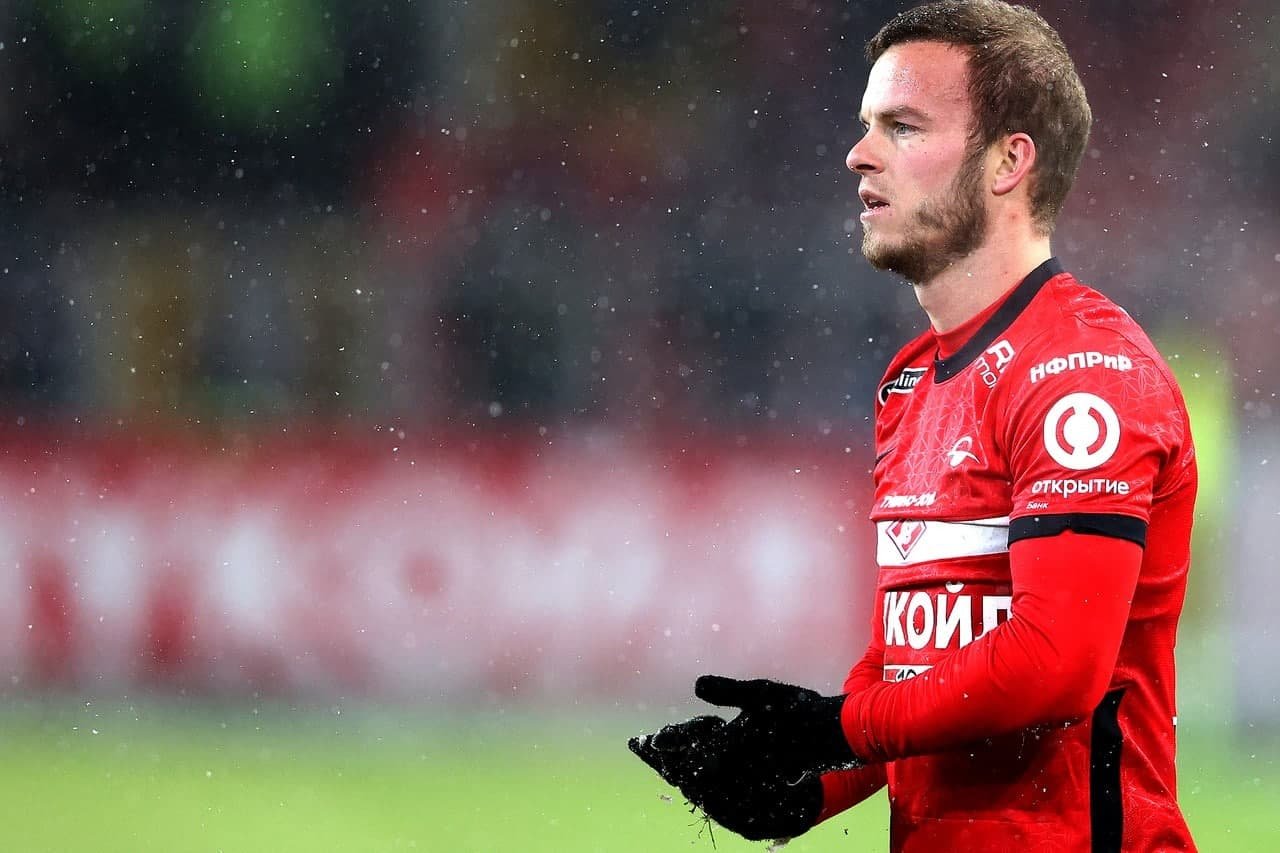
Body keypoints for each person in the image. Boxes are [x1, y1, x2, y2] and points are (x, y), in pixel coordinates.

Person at [628, 1, 1199, 850]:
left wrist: (833, 728)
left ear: (1009, 161)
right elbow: (913, 664)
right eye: (867, 126)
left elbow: (1054, 664)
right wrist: (808, 789)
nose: (859, 154)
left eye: (902, 127)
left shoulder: (1082, 374)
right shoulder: (910, 382)